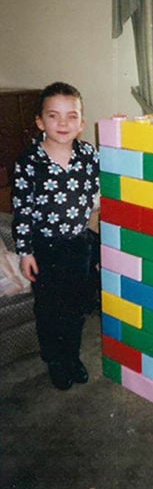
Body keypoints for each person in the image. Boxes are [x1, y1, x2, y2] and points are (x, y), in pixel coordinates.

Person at [12, 81, 99, 390]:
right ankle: (55, 360)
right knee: (50, 309)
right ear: (40, 121)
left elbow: (106, 185)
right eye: (54, 115)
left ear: (82, 123)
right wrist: (25, 252)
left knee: (76, 307)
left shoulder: (89, 155)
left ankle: (72, 356)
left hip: (78, 244)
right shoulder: (29, 162)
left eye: (72, 116)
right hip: (44, 248)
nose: (63, 123)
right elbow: (21, 211)